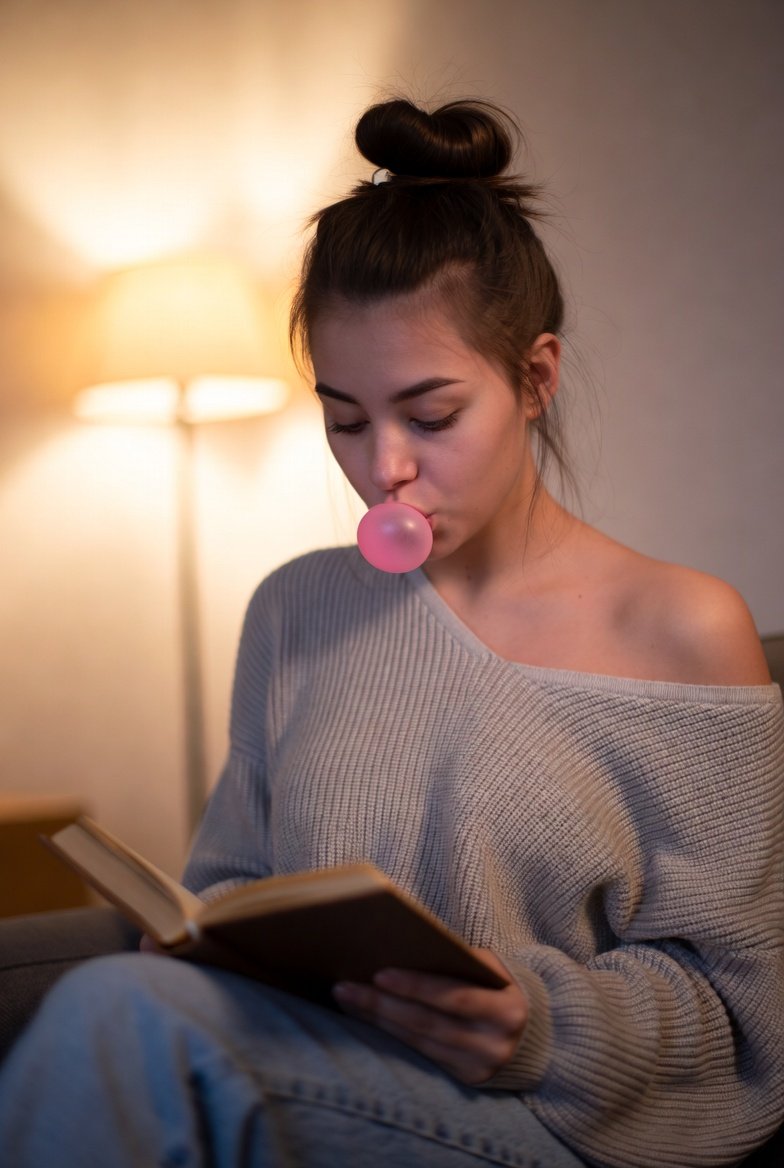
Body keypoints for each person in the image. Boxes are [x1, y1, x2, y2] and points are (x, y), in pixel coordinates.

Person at [0, 97, 781, 1168]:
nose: (384, 469)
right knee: (130, 1002)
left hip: (547, 1120)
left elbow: (745, 1015)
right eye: (346, 418)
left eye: (431, 413)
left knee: (122, 1018)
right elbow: (228, 878)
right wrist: (204, 935)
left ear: (535, 379)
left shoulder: (682, 626)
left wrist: (539, 1022)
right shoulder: (295, 608)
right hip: (317, 1068)